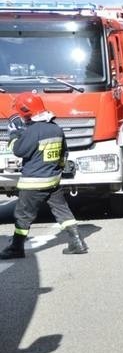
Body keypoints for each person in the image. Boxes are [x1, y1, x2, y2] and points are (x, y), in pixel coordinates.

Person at [0, 92, 88, 259]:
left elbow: (18, 151)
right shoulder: (55, 128)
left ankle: (16, 248)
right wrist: (57, 170)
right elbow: (64, 154)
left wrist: (13, 135)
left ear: (25, 112)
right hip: (52, 181)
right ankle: (77, 242)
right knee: (62, 211)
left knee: (23, 216)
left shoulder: (32, 131)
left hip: (33, 183)